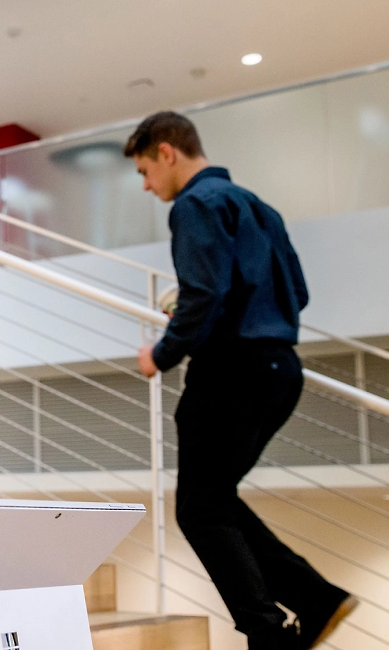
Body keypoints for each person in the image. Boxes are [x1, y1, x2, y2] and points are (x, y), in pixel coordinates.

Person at [128, 111, 356, 650]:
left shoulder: (195, 205)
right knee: (214, 500)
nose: (145, 185)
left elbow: (204, 294)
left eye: (143, 171)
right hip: (279, 369)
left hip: (229, 372)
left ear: (166, 152)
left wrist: (161, 354)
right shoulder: (261, 208)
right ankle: (314, 599)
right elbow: (296, 293)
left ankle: (266, 630)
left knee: (200, 507)